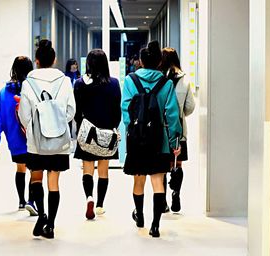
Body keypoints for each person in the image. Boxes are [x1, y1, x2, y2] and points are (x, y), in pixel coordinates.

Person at [121, 41, 182, 238]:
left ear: (140, 61)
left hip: (137, 140)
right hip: (159, 140)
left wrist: (132, 129)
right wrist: (175, 142)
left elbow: (125, 110)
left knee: (138, 182)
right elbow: (172, 115)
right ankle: (155, 225)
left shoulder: (130, 80)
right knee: (158, 183)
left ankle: (139, 215)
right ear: (158, 63)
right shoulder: (167, 83)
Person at [18, 39, 76, 239]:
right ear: (54, 60)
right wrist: (57, 124)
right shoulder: (65, 81)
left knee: (36, 178)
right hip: (59, 140)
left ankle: (41, 213)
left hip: (36, 141)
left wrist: (33, 127)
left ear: (36, 61)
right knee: (54, 181)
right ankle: (50, 224)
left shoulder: (28, 83)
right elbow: (71, 111)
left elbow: (24, 114)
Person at [0, 56, 38, 216]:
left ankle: (21, 201)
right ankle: (31, 201)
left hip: (14, 140)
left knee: (20, 168)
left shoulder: (5, 91)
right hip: (32, 137)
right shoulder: (33, 89)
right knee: (34, 170)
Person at [74, 49, 121, 220]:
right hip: (107, 132)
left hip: (87, 132)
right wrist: (114, 127)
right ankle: (100, 205)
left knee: (87, 169)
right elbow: (117, 111)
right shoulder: (114, 83)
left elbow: (77, 112)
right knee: (103, 170)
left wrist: (79, 128)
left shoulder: (79, 83)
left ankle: (89, 197)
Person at [161, 47, 195, 212]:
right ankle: (176, 193)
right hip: (179, 131)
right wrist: (180, 113)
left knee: (162, 166)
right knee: (178, 164)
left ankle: (163, 202)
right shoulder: (185, 81)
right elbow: (190, 107)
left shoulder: (159, 80)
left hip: (161, 130)